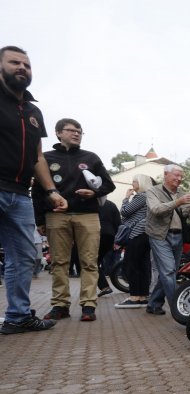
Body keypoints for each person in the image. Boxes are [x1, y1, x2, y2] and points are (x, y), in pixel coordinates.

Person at [0, 45, 68, 335]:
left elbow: (38, 156)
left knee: (24, 257)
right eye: (14, 62)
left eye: (26, 65)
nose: (22, 68)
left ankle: (17, 317)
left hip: (19, 194)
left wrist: (52, 191)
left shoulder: (33, 110)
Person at [33, 118, 115, 322]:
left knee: (89, 262)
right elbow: (37, 190)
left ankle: (88, 305)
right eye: (71, 130)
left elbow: (109, 184)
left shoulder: (91, 157)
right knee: (59, 262)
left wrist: (94, 193)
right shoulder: (46, 158)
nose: (77, 134)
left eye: (80, 131)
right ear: (58, 133)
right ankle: (60, 305)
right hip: (56, 215)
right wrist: (39, 219)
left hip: (87, 215)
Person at [145, 165, 190, 315]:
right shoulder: (153, 191)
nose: (179, 178)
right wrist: (178, 202)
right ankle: (177, 308)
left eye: (181, 176)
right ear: (165, 174)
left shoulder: (182, 193)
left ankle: (154, 303)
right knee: (169, 272)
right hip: (159, 236)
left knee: (169, 272)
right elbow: (156, 210)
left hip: (178, 236)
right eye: (176, 175)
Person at [115, 174, 154, 308]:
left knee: (132, 264)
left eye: (134, 181)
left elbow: (125, 212)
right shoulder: (149, 196)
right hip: (146, 233)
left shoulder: (141, 196)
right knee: (142, 265)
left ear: (141, 183)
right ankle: (143, 296)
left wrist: (126, 198)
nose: (132, 184)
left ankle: (134, 296)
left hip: (137, 233)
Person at [96, 196, 120, 296]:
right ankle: (104, 286)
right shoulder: (112, 205)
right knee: (96, 261)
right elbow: (118, 223)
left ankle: (104, 286)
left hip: (96, 234)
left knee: (91, 262)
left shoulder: (91, 204)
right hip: (109, 236)